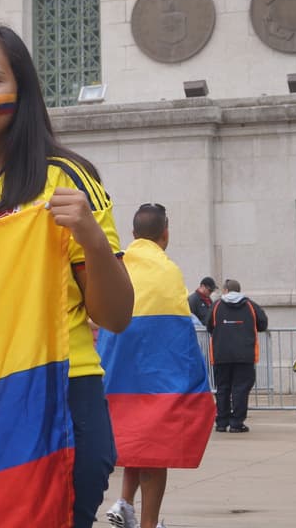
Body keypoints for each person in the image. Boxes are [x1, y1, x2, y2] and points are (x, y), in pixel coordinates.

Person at [0, 22, 133, 527]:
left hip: (60, 387)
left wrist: (93, 241)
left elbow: (116, 316)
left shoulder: (67, 177)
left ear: (22, 91)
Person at [101, 203, 211, 528]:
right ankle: (148, 523)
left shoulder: (117, 264)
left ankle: (124, 504)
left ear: (133, 234)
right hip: (159, 380)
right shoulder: (169, 271)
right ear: (165, 234)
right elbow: (178, 335)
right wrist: (194, 378)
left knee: (135, 444)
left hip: (120, 378)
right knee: (154, 452)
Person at [206, 278, 268, 433]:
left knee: (223, 388)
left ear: (226, 290)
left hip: (221, 353)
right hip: (244, 354)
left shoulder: (217, 305)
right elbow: (263, 323)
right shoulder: (250, 305)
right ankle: (237, 422)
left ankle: (221, 422)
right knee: (240, 389)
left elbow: (208, 324)